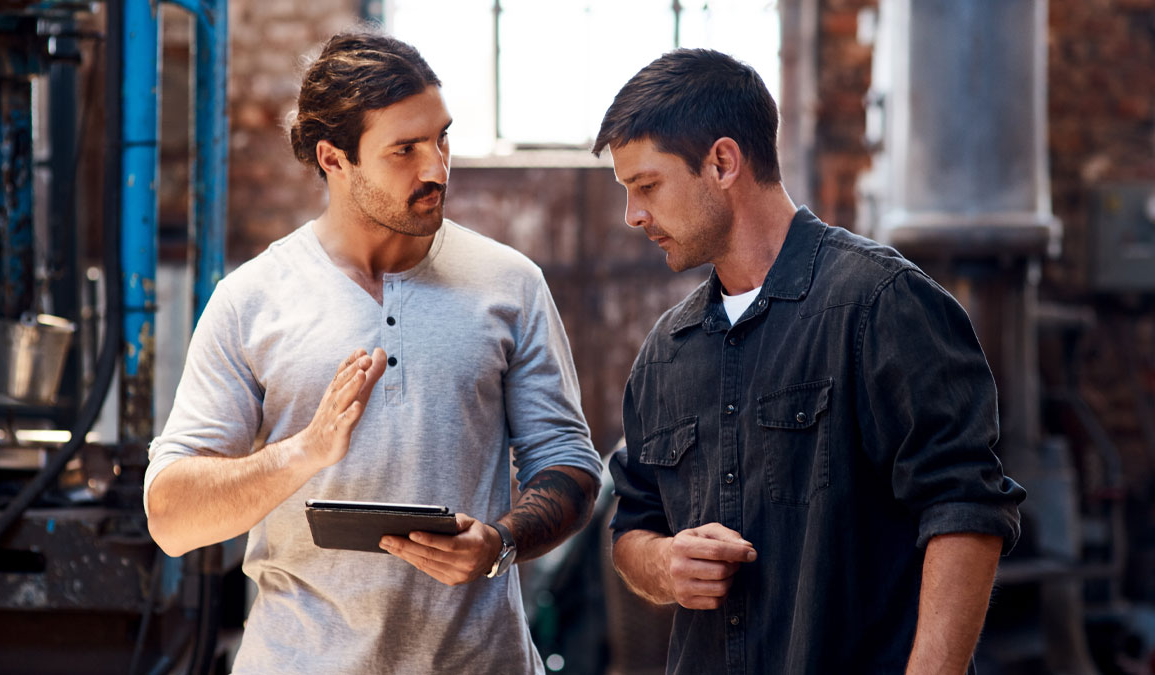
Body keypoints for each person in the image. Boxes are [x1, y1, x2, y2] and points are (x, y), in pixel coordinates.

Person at [144, 29, 601, 674]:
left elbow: (570, 467)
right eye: (404, 150)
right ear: (334, 159)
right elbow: (170, 517)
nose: (435, 168)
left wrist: (499, 543)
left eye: (441, 137)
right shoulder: (251, 299)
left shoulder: (510, 283)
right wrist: (303, 452)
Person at [594, 49, 1025, 674]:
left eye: (646, 186)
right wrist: (663, 563)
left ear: (721, 162)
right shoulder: (665, 353)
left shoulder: (882, 304)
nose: (633, 215)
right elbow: (632, 526)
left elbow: (965, 509)